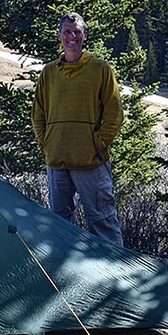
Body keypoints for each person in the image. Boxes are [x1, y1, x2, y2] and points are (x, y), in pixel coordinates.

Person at [32, 13, 124, 246]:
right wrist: (47, 144)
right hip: (57, 161)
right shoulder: (49, 73)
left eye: (77, 32)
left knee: (103, 222)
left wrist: (96, 143)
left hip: (91, 162)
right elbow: (38, 114)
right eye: (67, 32)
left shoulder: (100, 69)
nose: (72, 37)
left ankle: (117, 276)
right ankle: (65, 279)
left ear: (85, 35)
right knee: (59, 225)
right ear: (59, 36)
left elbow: (114, 113)